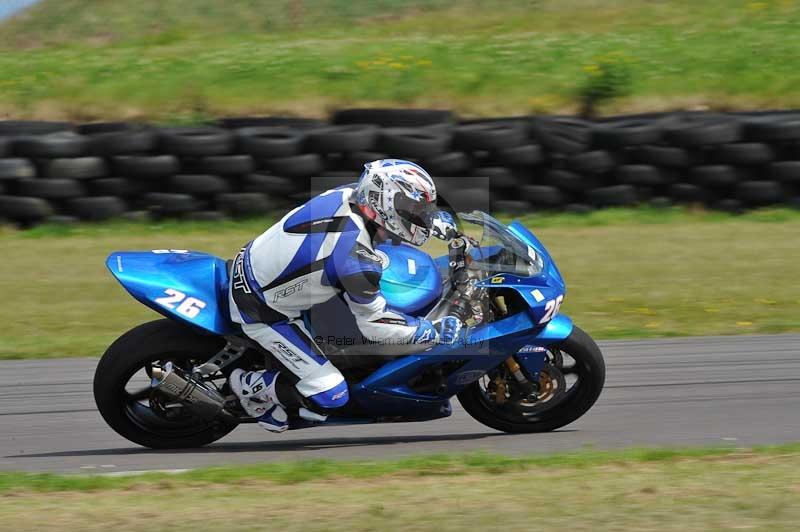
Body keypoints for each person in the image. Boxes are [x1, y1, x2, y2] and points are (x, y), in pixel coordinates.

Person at [228, 159, 463, 432]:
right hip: (262, 309)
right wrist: (430, 331)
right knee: (332, 395)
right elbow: (374, 325)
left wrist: (430, 223)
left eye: (422, 209)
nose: (420, 214)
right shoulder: (356, 258)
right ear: (384, 202)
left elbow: (385, 223)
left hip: (259, 262)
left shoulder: (350, 194)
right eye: (414, 209)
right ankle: (253, 387)